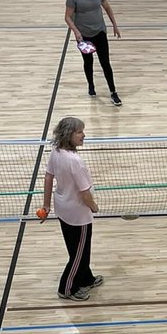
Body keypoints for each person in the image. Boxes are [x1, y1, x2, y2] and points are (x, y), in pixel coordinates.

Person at [40, 116, 102, 302]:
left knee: (78, 249)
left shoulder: (56, 151)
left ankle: (86, 278)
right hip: (78, 214)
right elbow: (84, 192)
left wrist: (46, 205)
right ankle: (66, 289)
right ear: (69, 135)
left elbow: (48, 177)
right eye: (79, 132)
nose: (84, 135)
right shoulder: (75, 161)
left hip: (63, 209)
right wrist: (93, 206)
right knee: (78, 253)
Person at [65, 0, 122, 105]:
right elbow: (67, 17)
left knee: (105, 63)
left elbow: (107, 7)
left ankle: (113, 92)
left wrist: (114, 24)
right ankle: (91, 85)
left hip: (100, 32)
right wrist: (76, 32)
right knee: (88, 62)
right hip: (84, 35)